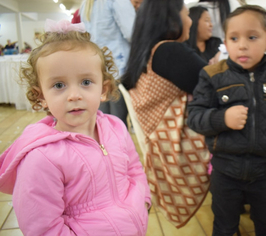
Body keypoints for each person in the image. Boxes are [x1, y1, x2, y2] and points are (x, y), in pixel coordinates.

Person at [0, 19, 150, 235]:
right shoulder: (41, 158)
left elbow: (134, 169)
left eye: (86, 82)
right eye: (59, 85)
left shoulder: (116, 127)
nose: (74, 95)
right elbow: (43, 228)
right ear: (41, 96)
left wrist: (142, 201)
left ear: (104, 88)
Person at [187, 5, 266, 236]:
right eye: (234, 38)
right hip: (225, 172)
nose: (242, 45)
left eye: (252, 37)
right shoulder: (212, 75)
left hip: (265, 173)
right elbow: (194, 117)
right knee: (225, 227)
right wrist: (222, 118)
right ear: (226, 43)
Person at [121, 0, 211, 228]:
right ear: (172, 18)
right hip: (176, 145)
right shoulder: (168, 50)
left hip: (159, 147)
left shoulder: (145, 54)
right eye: (187, 14)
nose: (190, 21)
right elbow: (215, 85)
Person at [80, 0, 136, 127]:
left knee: (103, 122)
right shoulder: (116, 1)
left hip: (98, 68)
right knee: (118, 123)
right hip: (118, 68)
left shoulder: (86, 4)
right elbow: (132, 33)